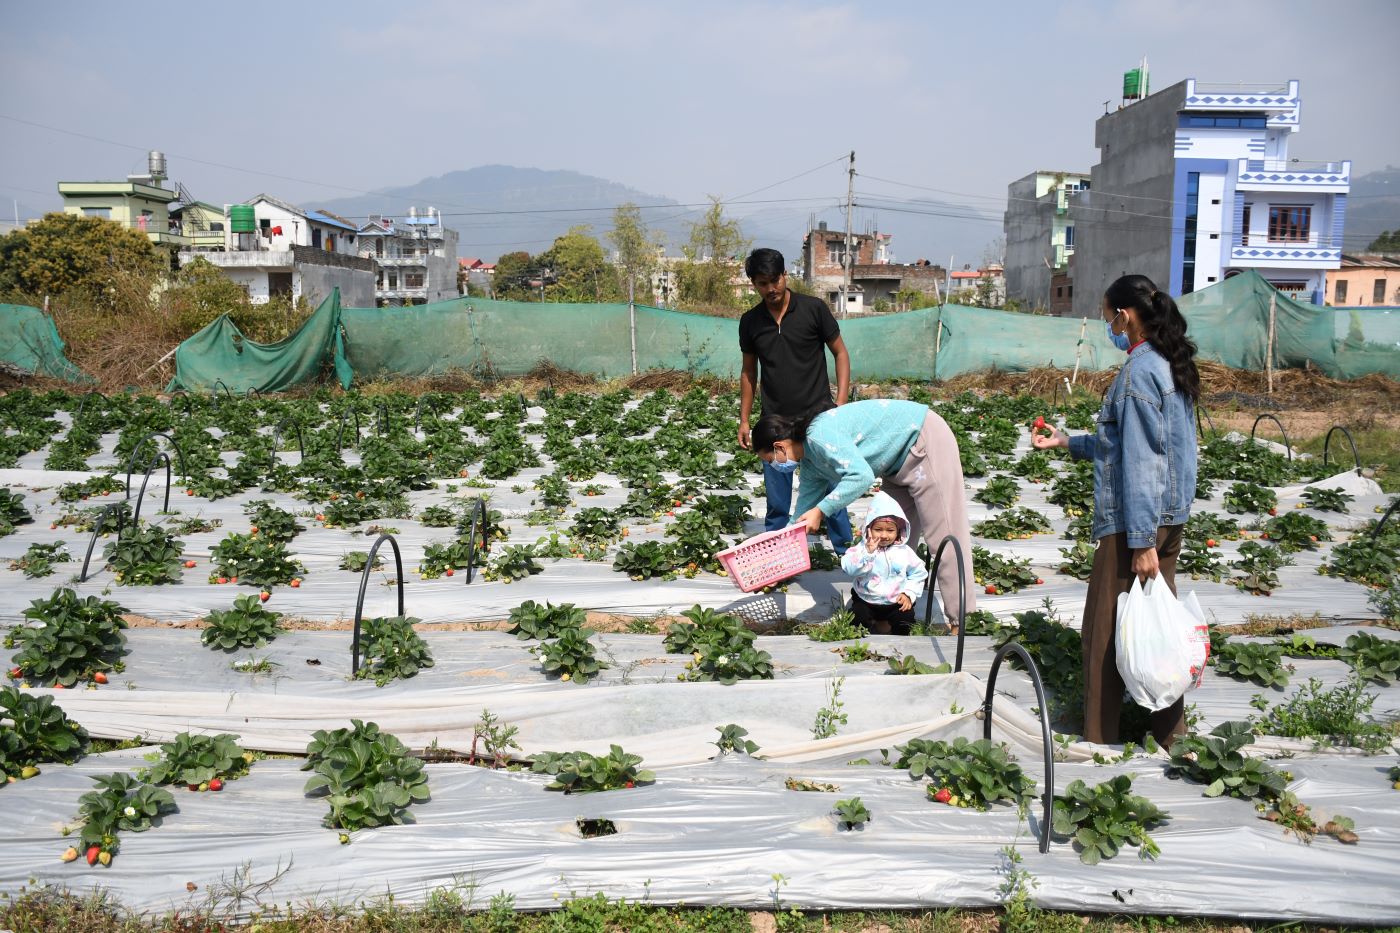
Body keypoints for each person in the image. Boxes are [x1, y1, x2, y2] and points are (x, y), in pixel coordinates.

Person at [1032, 273, 1200, 748]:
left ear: (1126, 317)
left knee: (1104, 634)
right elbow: (1126, 445)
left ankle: (1100, 740)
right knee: (1158, 627)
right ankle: (1171, 738)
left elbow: (1145, 460)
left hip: (1134, 523)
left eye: (1109, 318)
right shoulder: (1172, 364)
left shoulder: (1139, 373)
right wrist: (1067, 441)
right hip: (1168, 518)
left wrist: (1140, 541)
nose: (1110, 328)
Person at [750, 398, 975, 629]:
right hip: (894, 463)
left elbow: (861, 477)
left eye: (770, 460)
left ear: (779, 446)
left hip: (921, 440)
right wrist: (775, 565)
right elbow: (799, 519)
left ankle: (962, 620)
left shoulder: (819, 436)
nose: (774, 466)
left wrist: (821, 510)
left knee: (945, 533)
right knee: (887, 537)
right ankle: (890, 610)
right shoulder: (810, 464)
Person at [738, 248, 853, 555]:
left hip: (819, 418)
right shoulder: (750, 322)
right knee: (777, 500)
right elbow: (749, 372)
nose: (770, 288)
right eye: (762, 283)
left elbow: (840, 353)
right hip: (774, 422)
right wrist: (745, 420)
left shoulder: (813, 309)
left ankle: (847, 553)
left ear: (785, 275)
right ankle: (779, 556)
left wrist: (840, 402)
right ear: (753, 284)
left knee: (832, 491)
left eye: (775, 280)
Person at [840, 491, 929, 635]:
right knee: (857, 617)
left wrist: (908, 594)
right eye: (878, 529)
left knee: (905, 619)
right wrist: (867, 553)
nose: (884, 535)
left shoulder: (904, 552)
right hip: (866, 599)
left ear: (899, 531)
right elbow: (849, 568)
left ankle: (892, 634)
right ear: (868, 529)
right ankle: (869, 630)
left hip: (895, 601)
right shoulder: (861, 549)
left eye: (890, 530)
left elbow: (919, 574)